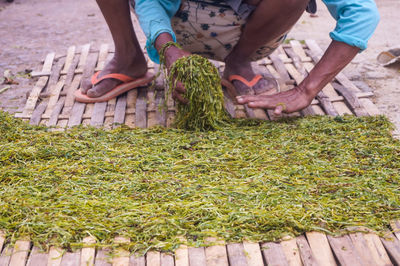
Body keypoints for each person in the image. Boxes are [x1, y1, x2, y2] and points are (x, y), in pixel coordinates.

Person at [76, 0, 379, 116]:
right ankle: (129, 57)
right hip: (180, 24)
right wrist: (169, 51)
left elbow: (362, 13)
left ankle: (239, 63)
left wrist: (306, 90)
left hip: (250, 31)